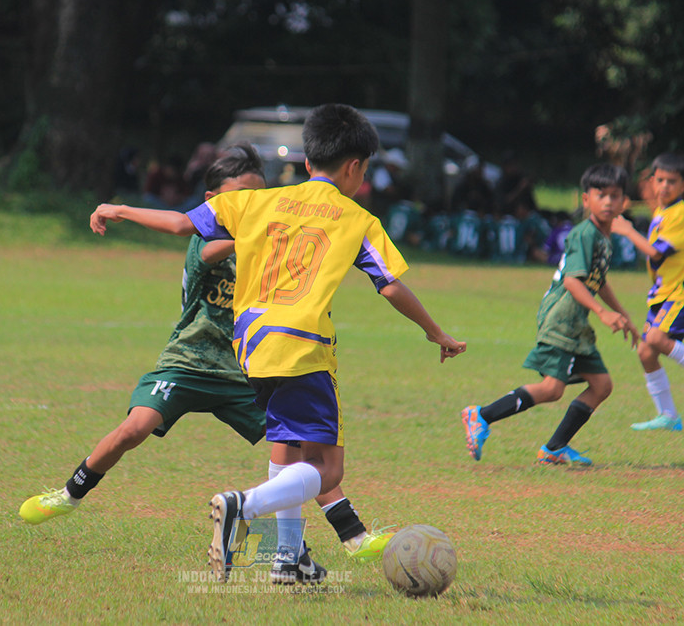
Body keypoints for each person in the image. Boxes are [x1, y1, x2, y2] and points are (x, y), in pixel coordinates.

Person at [88, 104, 467, 583]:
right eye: (364, 170)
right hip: (304, 346)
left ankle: (288, 561)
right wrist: (437, 333)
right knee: (326, 472)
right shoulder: (358, 219)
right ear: (354, 168)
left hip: (251, 346)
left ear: (308, 163)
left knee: (286, 450)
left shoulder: (259, 201)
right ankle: (242, 506)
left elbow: (183, 225)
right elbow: (389, 284)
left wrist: (118, 208)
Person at [21, 143, 395, 584]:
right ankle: (70, 493)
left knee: (297, 447)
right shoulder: (212, 237)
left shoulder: (273, 236)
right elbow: (206, 250)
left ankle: (334, 542)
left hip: (246, 370)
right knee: (134, 428)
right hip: (189, 360)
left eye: (257, 195)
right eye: (238, 198)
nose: (250, 204)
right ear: (213, 203)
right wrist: (258, 231)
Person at [461, 164, 640, 466]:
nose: (609, 201)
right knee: (551, 389)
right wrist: (602, 313)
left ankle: (554, 448)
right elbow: (572, 281)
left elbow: (599, 280)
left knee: (601, 385)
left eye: (615, 196)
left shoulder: (603, 237)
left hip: (576, 322)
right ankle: (481, 415)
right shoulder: (585, 234)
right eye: (601, 195)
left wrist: (622, 315)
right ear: (586, 200)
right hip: (562, 318)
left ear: (624, 201)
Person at [611, 152, 684, 431]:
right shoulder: (663, 212)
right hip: (667, 290)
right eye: (661, 180)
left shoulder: (681, 213)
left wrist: (628, 231)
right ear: (653, 181)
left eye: (672, 181)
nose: (665, 186)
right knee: (645, 351)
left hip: (683, 291)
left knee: (655, 337)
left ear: (683, 185)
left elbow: (656, 252)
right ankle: (668, 416)